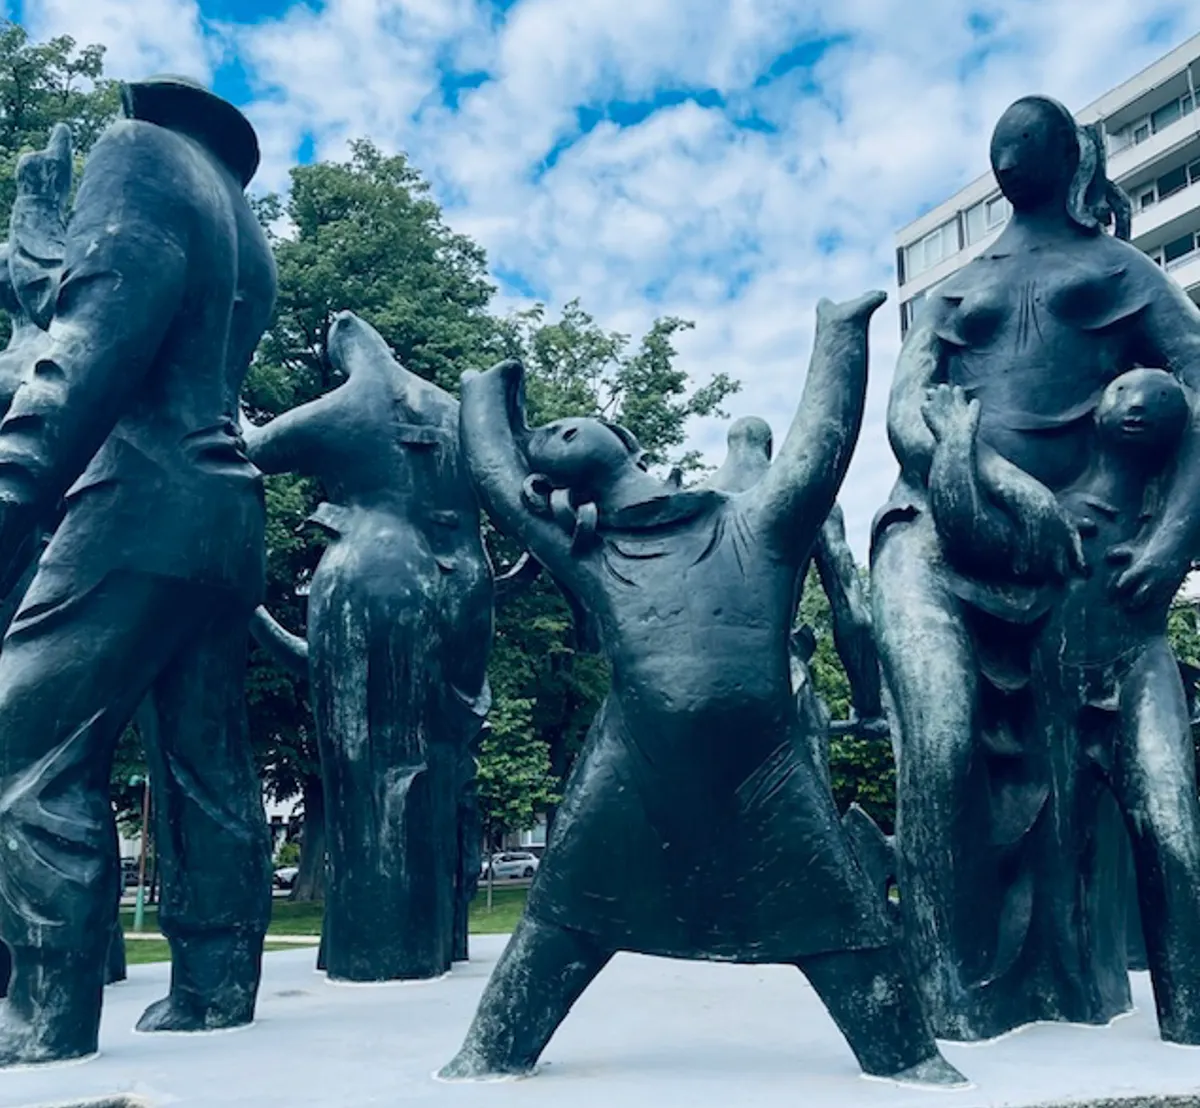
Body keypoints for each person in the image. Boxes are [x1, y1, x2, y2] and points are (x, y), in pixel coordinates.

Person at [440, 292, 965, 1087]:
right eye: (545, 436)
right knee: (559, 920)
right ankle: (490, 1052)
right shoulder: (590, 552)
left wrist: (838, 334)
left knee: (840, 921)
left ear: (626, 443)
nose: (555, 432)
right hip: (635, 770)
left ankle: (908, 1056)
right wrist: (484, 392)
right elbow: (494, 477)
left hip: (765, 772)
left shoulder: (754, 524)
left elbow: (818, 449)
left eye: (574, 422)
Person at [872, 93, 1200, 1041]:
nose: (1009, 146)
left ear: (1070, 155)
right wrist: (1005, 487)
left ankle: (1121, 992)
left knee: (1139, 800)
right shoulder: (954, 288)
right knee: (939, 739)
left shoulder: (1122, 270)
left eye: (1030, 134)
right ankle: (944, 999)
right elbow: (906, 415)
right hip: (938, 529)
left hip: (1078, 558)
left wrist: (1173, 538)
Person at [0, 76, 276, 1067]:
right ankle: (215, 985)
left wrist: (14, 487)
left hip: (137, 497)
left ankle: (44, 1010)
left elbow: (91, 342)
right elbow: (113, 300)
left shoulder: (139, 153)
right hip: (225, 508)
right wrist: (37, 242)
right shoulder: (244, 222)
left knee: (19, 749)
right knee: (207, 763)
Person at [244, 311, 493, 982]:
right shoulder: (456, 413)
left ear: (341, 347)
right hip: (459, 588)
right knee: (437, 764)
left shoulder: (350, 403)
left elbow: (253, 449)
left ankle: (377, 948)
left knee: (366, 771)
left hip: (368, 578)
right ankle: (434, 936)